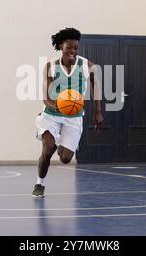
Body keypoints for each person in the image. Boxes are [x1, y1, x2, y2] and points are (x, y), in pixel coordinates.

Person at [32, 28, 103, 197]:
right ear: (60, 46)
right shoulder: (51, 66)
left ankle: (60, 144)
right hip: (51, 115)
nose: (72, 52)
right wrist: (54, 105)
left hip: (74, 116)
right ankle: (39, 183)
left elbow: (96, 84)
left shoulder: (87, 65)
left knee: (65, 159)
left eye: (75, 48)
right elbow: (45, 96)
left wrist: (98, 111)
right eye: (69, 48)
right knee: (47, 149)